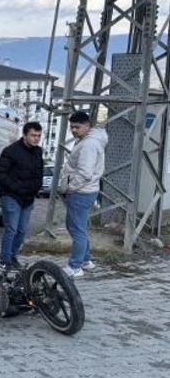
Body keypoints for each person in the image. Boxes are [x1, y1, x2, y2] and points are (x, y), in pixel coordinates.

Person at [0, 122, 44, 269]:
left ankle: (12, 256)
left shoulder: (38, 152)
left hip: (28, 198)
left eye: (39, 136)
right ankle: (5, 261)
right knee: (12, 229)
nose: (36, 139)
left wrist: (36, 187)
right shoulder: (11, 151)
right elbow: (0, 172)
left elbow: (39, 172)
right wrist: (16, 187)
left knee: (22, 231)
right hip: (11, 196)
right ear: (24, 135)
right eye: (33, 135)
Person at [58, 111, 107, 278]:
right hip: (87, 190)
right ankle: (86, 260)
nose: (73, 130)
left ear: (87, 126)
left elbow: (84, 173)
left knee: (76, 229)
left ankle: (75, 267)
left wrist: (69, 188)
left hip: (80, 191)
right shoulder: (90, 141)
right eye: (71, 127)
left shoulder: (88, 145)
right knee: (81, 228)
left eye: (77, 127)